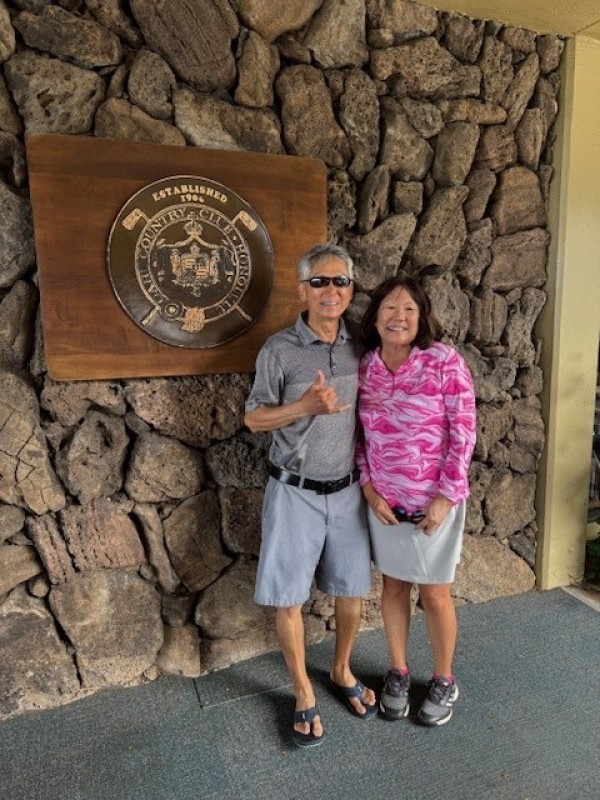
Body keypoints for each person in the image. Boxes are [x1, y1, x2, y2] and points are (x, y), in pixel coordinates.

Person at [244, 243, 377, 748]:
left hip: (347, 490)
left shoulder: (360, 344)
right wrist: (302, 406)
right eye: (319, 281)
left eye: (340, 281)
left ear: (351, 289)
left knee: (351, 589)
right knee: (288, 597)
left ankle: (341, 670)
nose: (330, 291)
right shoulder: (279, 349)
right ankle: (302, 690)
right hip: (293, 491)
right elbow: (254, 418)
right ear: (302, 290)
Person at [356, 275, 476, 727]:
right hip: (385, 505)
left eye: (409, 308)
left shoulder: (444, 361)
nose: (399, 316)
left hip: (433, 505)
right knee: (393, 587)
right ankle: (399, 670)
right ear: (375, 316)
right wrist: (369, 489)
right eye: (390, 307)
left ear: (422, 317)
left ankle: (444, 677)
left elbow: (464, 433)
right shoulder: (366, 366)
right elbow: (358, 438)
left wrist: (446, 497)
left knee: (435, 592)